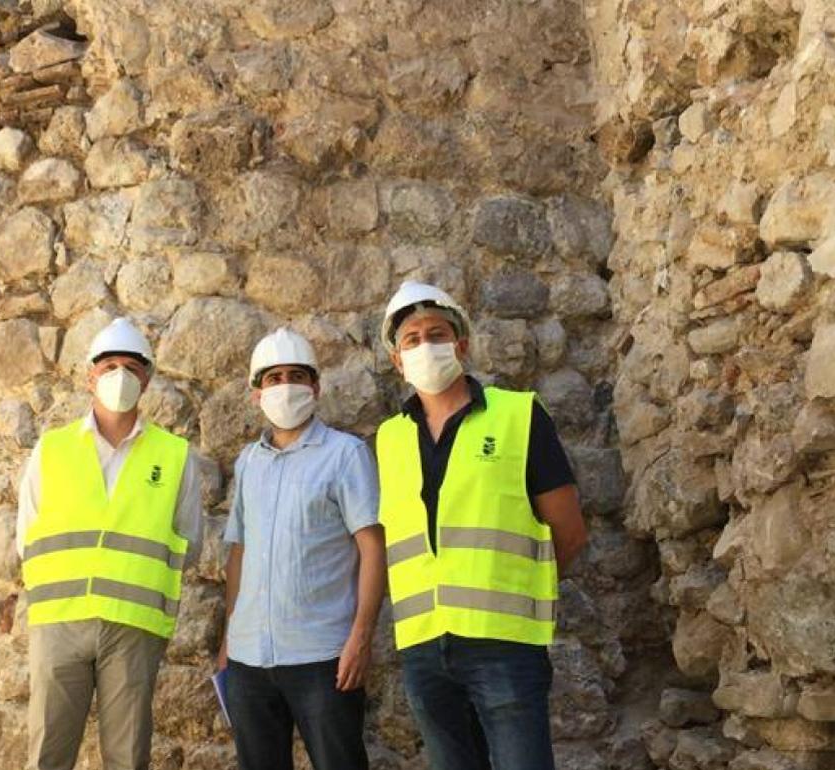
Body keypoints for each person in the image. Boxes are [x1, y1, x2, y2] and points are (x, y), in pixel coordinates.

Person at [375, 281, 588, 770]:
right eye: (411, 339)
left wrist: (510, 590)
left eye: (437, 333)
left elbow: (570, 532)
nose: (425, 345)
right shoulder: (389, 439)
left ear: (461, 343)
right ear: (397, 360)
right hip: (423, 648)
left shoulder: (519, 415)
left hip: (504, 643)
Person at [15, 317, 203, 770]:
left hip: (133, 629)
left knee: (127, 757)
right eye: (109, 366)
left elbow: (189, 544)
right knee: (48, 754)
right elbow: (27, 536)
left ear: (148, 378)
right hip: (60, 623)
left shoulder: (175, 455)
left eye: (132, 367)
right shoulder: (52, 449)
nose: (120, 376)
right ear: (89, 376)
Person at [217, 327, 386, 770]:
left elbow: (372, 548)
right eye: (273, 378)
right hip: (249, 658)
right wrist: (228, 639)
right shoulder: (247, 463)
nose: (285, 386)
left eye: (296, 375)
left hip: (323, 657)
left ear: (315, 387)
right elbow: (240, 552)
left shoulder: (345, 455)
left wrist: (361, 638)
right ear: (257, 394)